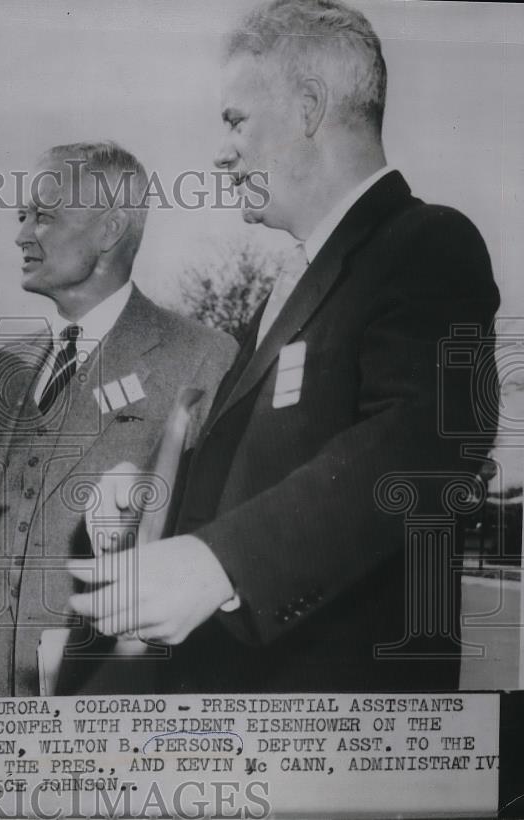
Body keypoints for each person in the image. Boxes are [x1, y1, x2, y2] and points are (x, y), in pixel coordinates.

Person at [69, 0, 501, 692]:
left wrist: (222, 565)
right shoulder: (291, 288)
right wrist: (148, 495)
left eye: (236, 119)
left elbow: (423, 444)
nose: (221, 149)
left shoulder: (426, 246)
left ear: (307, 108)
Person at [0, 142, 237, 698]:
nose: (21, 234)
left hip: (98, 705)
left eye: (44, 216)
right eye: (21, 216)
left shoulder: (205, 357)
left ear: (110, 229)